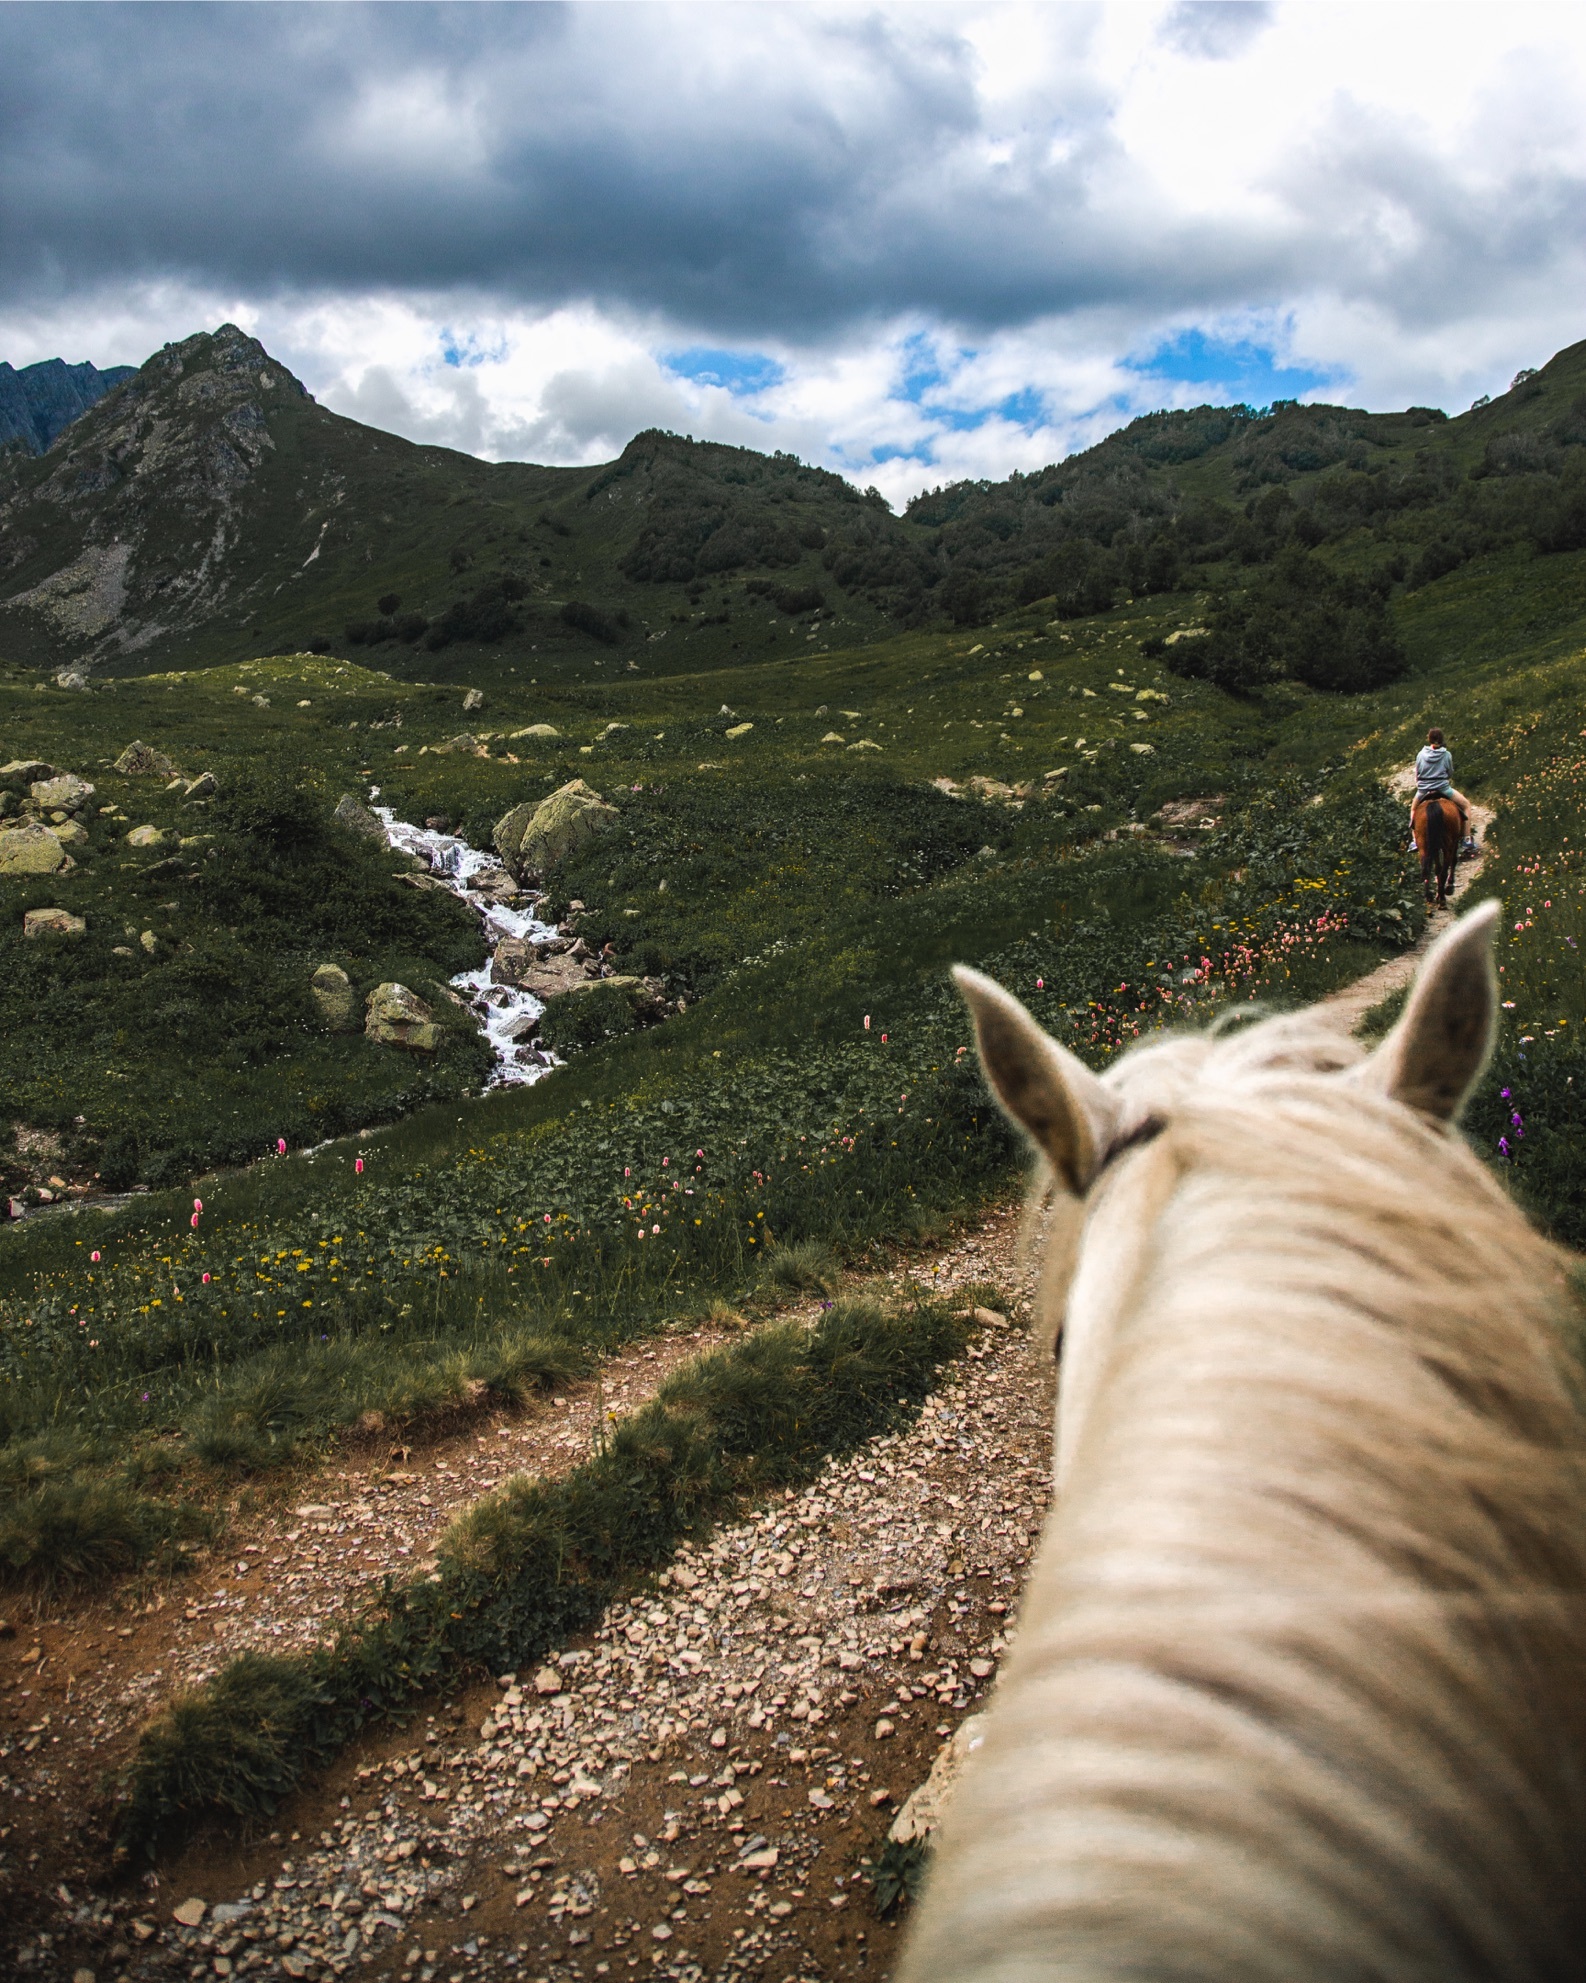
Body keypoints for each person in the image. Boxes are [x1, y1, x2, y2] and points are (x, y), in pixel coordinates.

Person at [1410, 727, 1475, 854]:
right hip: (1443, 788)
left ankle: (1414, 840)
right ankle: (1467, 838)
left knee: (1413, 809)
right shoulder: (1446, 754)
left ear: (1428, 738)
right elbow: (1450, 772)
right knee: (1466, 805)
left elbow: (1417, 774)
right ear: (1442, 739)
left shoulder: (1420, 754)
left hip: (1424, 790)